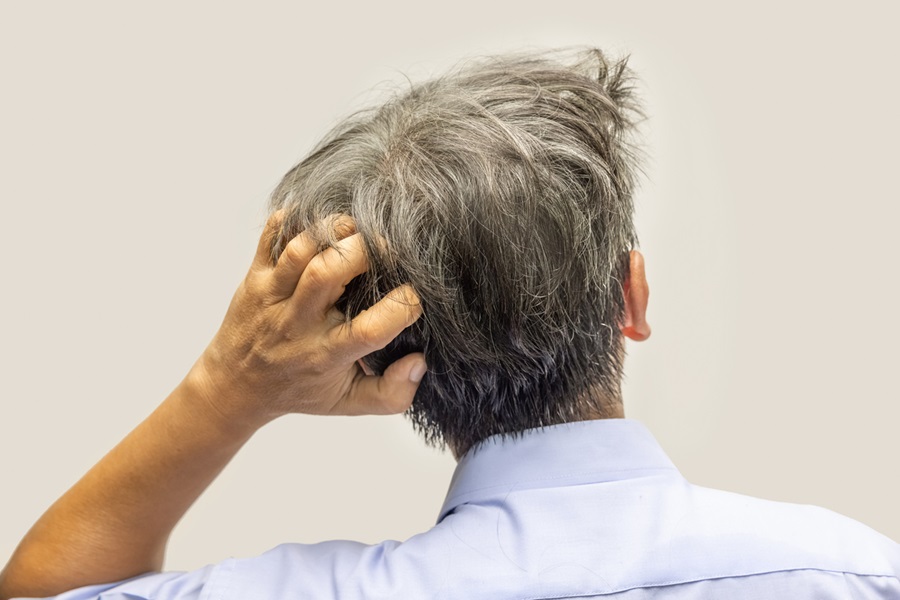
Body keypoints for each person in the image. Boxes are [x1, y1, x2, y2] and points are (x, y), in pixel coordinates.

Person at [1, 47, 897, 600]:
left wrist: (228, 391)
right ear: (633, 297)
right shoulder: (857, 572)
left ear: (373, 354)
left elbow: (43, 590)